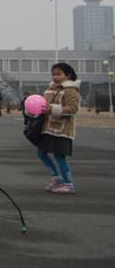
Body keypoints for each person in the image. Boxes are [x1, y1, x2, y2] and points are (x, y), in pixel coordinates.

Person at [38, 62, 81, 194]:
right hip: (48, 128)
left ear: (67, 75)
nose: (55, 77)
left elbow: (73, 109)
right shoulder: (51, 89)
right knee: (41, 153)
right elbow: (44, 106)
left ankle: (69, 184)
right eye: (53, 74)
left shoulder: (71, 90)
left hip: (63, 130)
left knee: (59, 156)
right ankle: (57, 178)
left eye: (58, 74)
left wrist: (53, 109)